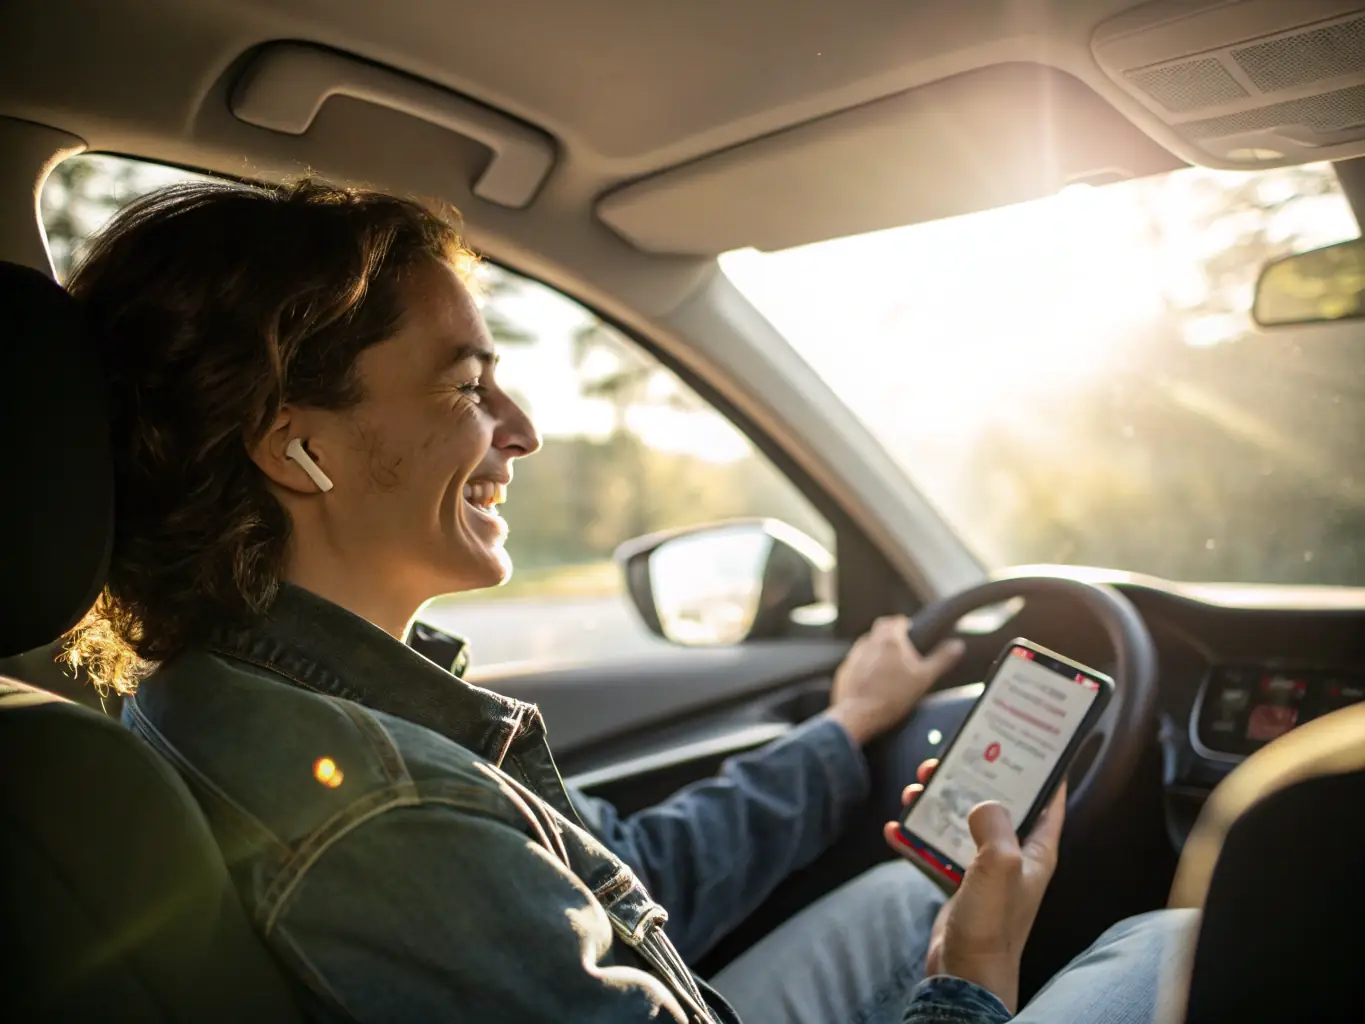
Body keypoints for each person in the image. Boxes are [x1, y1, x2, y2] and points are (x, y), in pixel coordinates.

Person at [65, 178, 1198, 1023]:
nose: (522, 431)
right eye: (466, 385)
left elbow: (630, 871)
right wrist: (972, 981)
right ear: (295, 446)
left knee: (915, 895)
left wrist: (846, 729)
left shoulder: (223, 697)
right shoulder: (381, 810)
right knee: (1169, 944)